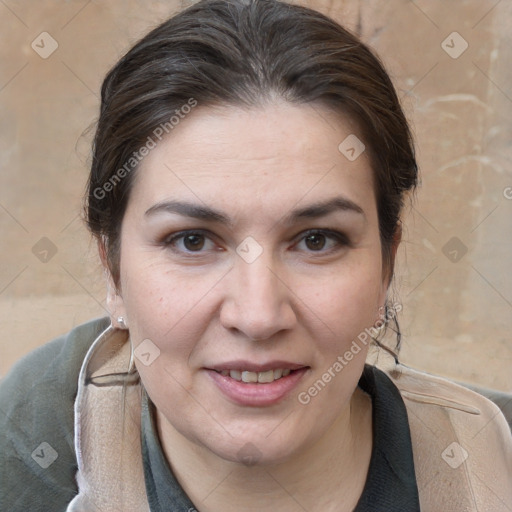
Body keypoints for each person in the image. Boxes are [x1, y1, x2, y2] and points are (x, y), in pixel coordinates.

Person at [1, 0, 511, 510]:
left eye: (317, 240)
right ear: (112, 270)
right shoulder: (29, 457)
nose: (258, 316)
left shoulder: (496, 464)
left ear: (387, 266)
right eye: (192, 240)